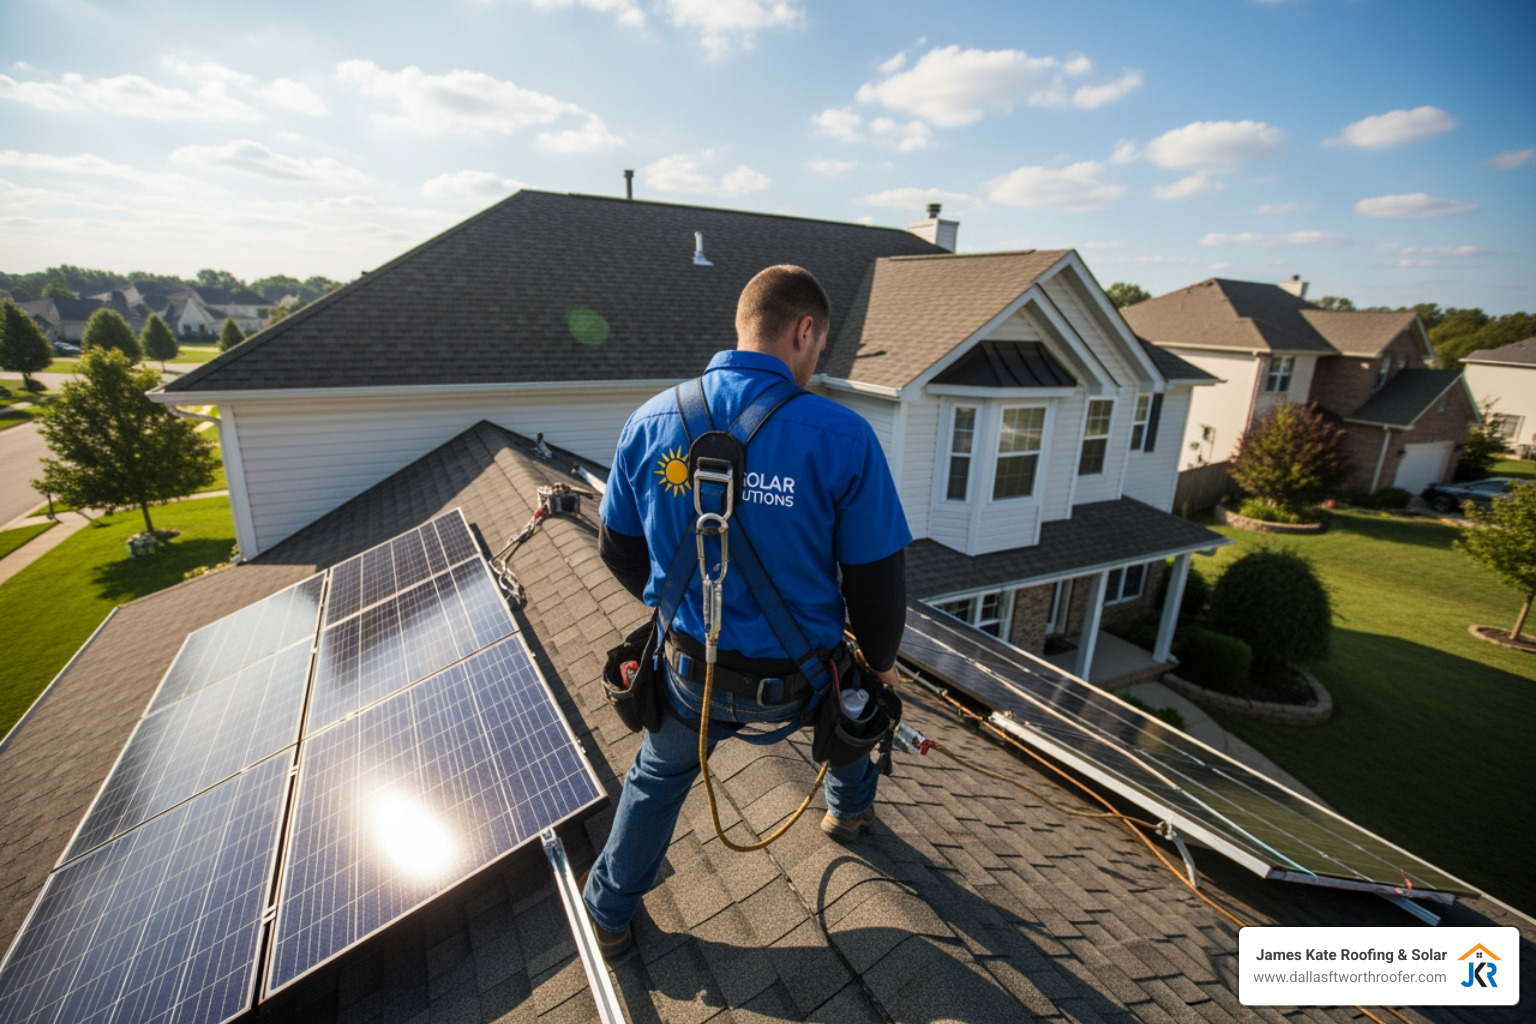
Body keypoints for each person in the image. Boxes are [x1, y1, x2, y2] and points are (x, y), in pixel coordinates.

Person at [582, 264, 911, 961]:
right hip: (804, 680)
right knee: (854, 703)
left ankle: (607, 914)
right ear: (803, 331)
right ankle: (850, 813)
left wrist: (679, 605)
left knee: (655, 778)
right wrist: (879, 667)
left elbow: (618, 549)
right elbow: (877, 585)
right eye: (819, 346)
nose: (816, 359)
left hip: (690, 678)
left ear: (743, 325)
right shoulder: (843, 436)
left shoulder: (651, 421)